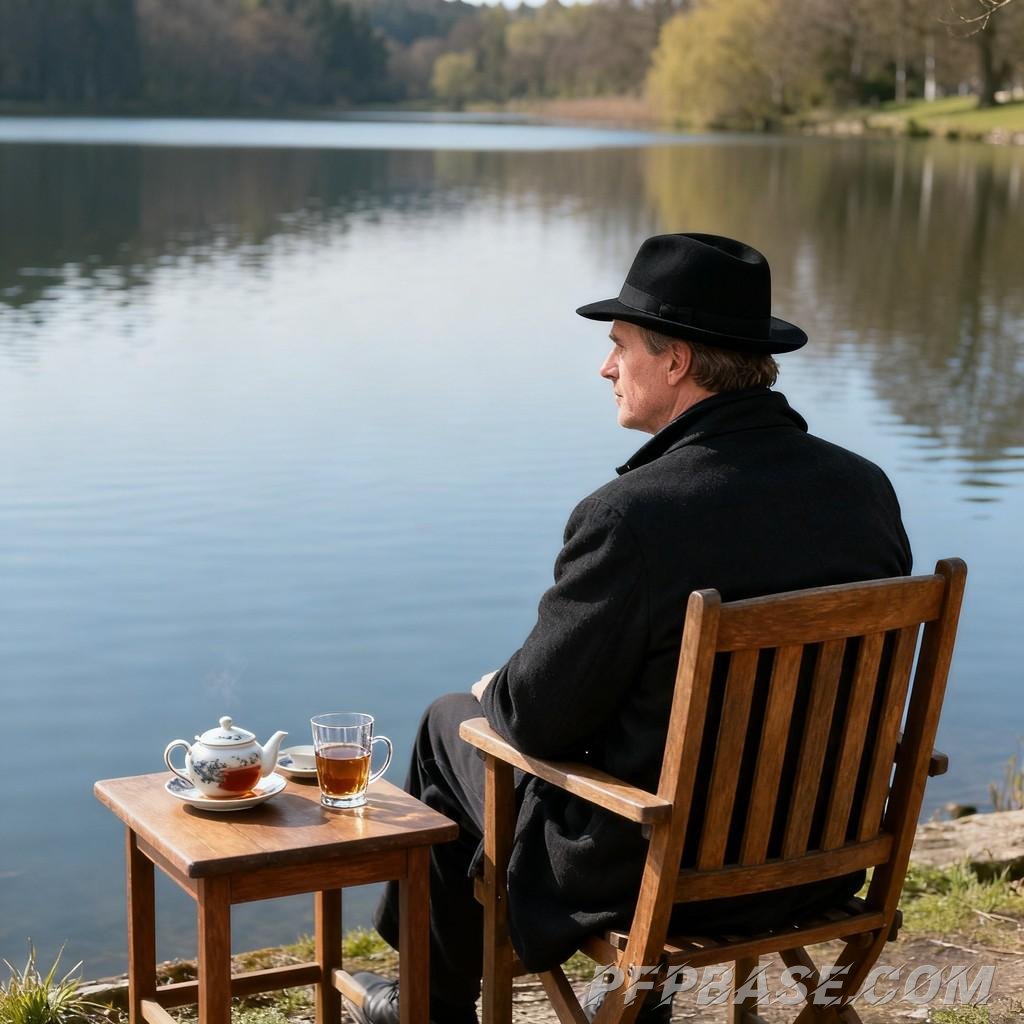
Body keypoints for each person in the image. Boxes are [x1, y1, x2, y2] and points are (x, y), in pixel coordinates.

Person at [344, 233, 912, 1024]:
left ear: (674, 360)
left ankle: (429, 1009)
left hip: (664, 873)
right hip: (822, 863)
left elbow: (535, 717)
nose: (606, 368)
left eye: (618, 347)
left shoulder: (631, 518)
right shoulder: (865, 490)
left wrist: (493, 690)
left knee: (452, 725)